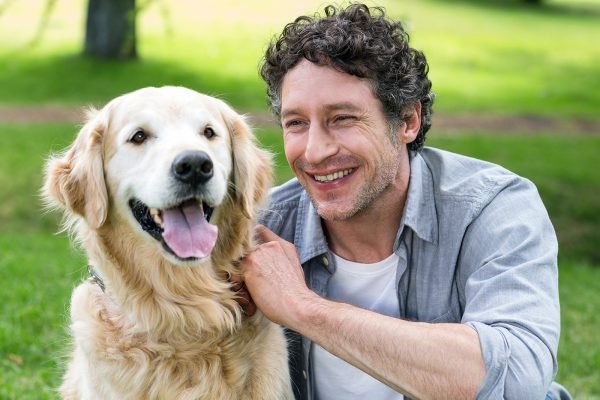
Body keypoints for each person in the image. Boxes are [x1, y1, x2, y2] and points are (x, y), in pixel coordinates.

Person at [237, 4, 571, 400]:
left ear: (408, 121)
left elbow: (518, 381)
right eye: (296, 123)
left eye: (342, 118)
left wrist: (303, 307)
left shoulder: (492, 208)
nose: (314, 151)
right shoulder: (261, 230)